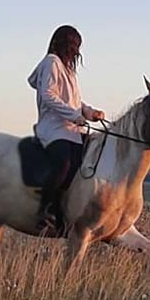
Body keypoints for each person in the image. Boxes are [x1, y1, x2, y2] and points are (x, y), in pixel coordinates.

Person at [26, 25, 105, 230]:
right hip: (54, 128)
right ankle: (44, 209)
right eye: (74, 45)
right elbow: (48, 95)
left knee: (84, 168)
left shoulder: (67, 70)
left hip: (72, 130)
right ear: (64, 44)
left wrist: (89, 112)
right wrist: (75, 115)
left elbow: (74, 101)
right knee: (64, 164)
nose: (76, 51)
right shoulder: (51, 63)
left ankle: (71, 210)